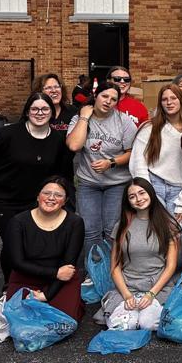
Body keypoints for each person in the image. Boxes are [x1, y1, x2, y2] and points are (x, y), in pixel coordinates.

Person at [0, 92, 72, 283]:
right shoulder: (7, 134)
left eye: (45, 109)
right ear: (27, 111)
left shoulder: (57, 140)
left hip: (32, 199)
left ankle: (30, 281)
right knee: (13, 239)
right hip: (0, 197)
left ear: (52, 112)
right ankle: (9, 285)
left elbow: (60, 173)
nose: (40, 113)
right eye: (35, 109)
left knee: (28, 240)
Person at [66, 80, 139, 251]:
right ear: (95, 95)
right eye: (104, 96)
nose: (108, 101)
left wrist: (111, 162)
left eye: (113, 99)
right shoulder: (79, 118)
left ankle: (112, 265)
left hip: (117, 183)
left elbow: (132, 153)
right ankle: (95, 266)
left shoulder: (124, 122)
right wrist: (84, 117)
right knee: (90, 230)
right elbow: (74, 145)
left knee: (111, 230)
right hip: (88, 183)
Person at [3, 176, 85, 322]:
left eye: (58, 195)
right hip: (26, 277)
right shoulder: (18, 221)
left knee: (61, 321)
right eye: (46, 193)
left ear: (65, 201)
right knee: (20, 320)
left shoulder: (75, 222)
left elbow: (68, 265)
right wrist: (55, 273)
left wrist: (47, 295)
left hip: (61, 281)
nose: (51, 198)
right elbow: (17, 262)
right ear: (38, 196)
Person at [102, 178, 180, 321]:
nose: (138, 199)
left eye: (142, 193)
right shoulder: (122, 226)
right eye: (132, 196)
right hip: (128, 285)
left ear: (150, 193)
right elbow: (115, 266)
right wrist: (126, 295)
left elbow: (171, 266)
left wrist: (151, 294)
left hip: (157, 285)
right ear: (128, 202)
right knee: (124, 323)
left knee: (147, 322)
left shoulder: (168, 225)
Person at [129, 85, 182, 221]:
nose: (169, 102)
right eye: (164, 99)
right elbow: (138, 162)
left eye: (173, 98)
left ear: (181, 100)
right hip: (154, 185)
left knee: (179, 232)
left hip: (180, 189)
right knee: (157, 231)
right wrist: (146, 192)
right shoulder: (150, 128)